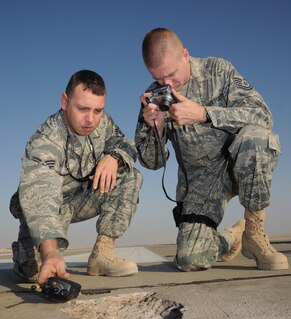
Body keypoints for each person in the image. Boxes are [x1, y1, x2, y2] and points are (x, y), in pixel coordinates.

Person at [135, 27, 288, 272]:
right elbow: (151, 162)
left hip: (237, 162)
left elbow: (263, 116)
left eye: (172, 74)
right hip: (200, 183)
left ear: (185, 54)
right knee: (190, 260)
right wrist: (156, 128)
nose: (167, 84)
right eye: (159, 78)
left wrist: (204, 114)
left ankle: (254, 232)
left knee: (257, 138)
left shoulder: (219, 70)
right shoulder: (156, 97)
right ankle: (232, 237)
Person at [10, 69, 143, 284]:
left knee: (129, 175)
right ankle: (22, 253)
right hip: (51, 207)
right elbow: (41, 198)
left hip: (81, 198)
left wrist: (114, 156)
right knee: (35, 273)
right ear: (65, 101)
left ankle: (103, 253)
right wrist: (50, 254)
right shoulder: (46, 140)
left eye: (98, 110)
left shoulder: (103, 122)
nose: (91, 119)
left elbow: (125, 144)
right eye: (82, 109)